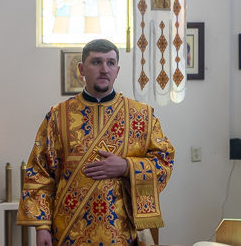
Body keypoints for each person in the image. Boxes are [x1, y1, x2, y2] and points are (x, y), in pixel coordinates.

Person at [16, 39, 175, 245]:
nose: (104, 69)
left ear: (117, 70)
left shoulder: (141, 115)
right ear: (81, 68)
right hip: (67, 231)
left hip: (122, 231)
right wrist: (42, 226)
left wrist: (126, 166)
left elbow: (164, 162)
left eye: (110, 63)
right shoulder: (58, 116)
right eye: (96, 62)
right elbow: (40, 172)